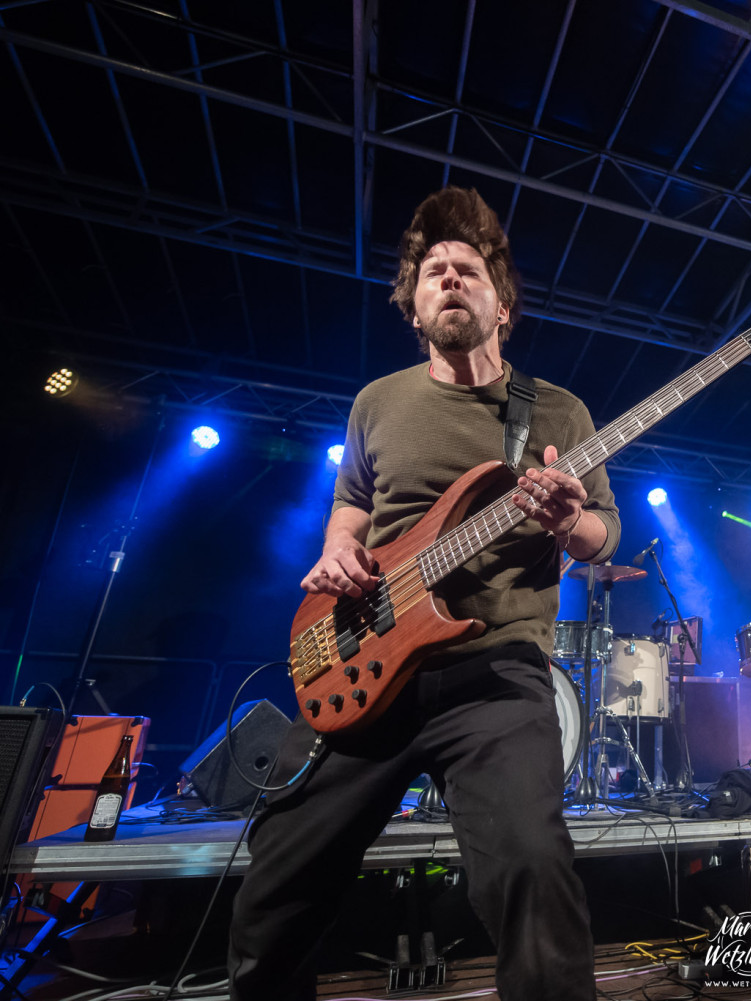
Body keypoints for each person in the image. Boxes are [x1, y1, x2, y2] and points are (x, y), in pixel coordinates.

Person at [227, 187, 620, 1001]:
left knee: (531, 867)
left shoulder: (556, 411)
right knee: (275, 881)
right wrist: (337, 553)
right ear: (413, 305)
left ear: (501, 301)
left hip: (496, 675)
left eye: (467, 269)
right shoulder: (378, 401)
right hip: (368, 662)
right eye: (433, 270)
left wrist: (570, 519)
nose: (448, 278)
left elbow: (603, 535)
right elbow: (352, 509)